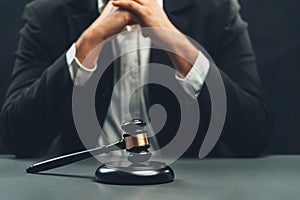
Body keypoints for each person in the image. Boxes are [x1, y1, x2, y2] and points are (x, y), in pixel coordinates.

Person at [0, 0, 272, 158]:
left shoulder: (216, 9)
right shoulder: (48, 13)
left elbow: (254, 135)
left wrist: (179, 47)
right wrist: (86, 47)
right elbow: (18, 137)